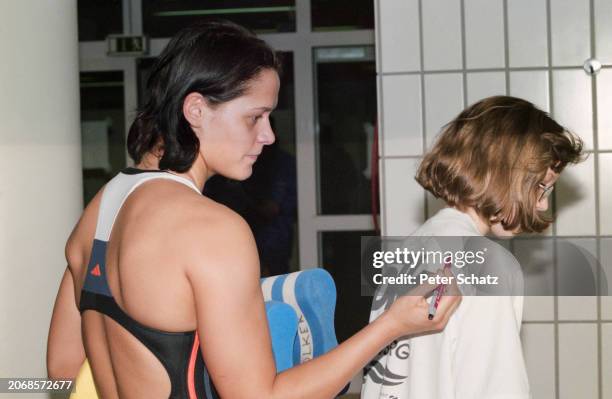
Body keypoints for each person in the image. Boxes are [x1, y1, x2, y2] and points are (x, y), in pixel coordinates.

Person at [46, 20, 460, 399]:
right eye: (254, 117)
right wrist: (393, 325)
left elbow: (62, 369)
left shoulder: (100, 207)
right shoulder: (213, 229)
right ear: (196, 110)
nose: (267, 136)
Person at [361, 96, 584, 399]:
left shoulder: (411, 248)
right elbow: (495, 388)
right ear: (505, 174)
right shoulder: (490, 263)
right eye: (542, 187)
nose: (542, 203)